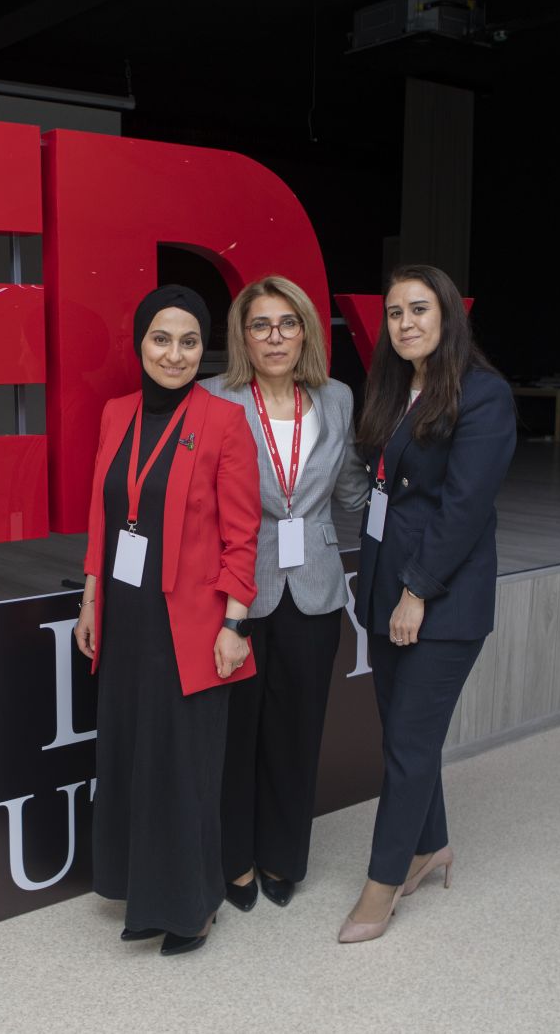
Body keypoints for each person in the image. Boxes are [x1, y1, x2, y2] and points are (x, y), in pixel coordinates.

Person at [72, 284, 261, 956]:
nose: (174, 354)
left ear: (202, 348)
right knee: (134, 758)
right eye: (161, 339)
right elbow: (102, 515)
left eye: (188, 341)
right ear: (140, 343)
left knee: (183, 768)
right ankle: (145, 893)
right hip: (126, 618)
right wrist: (90, 599)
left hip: (193, 628)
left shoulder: (223, 421)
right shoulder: (116, 412)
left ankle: (192, 906)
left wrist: (236, 625)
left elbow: (244, 536)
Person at [341, 263, 516, 943]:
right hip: (386, 585)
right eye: (395, 312)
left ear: (448, 316)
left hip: (441, 597)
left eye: (419, 309)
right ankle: (430, 844)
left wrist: (416, 592)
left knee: (409, 743)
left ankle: (381, 884)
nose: (406, 322)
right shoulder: (392, 387)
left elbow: (464, 509)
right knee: (403, 735)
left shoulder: (483, 394)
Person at [200, 275, 370, 911]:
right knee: (236, 731)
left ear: (306, 333)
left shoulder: (337, 397)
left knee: (297, 730)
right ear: (243, 336)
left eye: (288, 324)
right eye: (260, 325)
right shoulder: (214, 397)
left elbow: (350, 488)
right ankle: (235, 861)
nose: (275, 338)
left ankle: (282, 856)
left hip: (316, 588)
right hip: (237, 589)